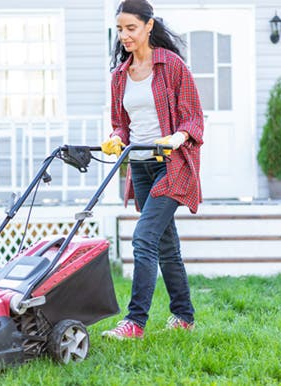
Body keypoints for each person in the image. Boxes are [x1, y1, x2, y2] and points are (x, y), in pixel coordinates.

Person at [100, 0, 204, 340]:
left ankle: (135, 323)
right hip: (141, 166)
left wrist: (178, 135)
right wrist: (116, 138)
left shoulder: (171, 66)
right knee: (165, 244)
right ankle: (184, 316)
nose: (125, 35)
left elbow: (193, 117)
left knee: (144, 238)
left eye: (131, 28)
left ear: (148, 26)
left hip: (171, 165)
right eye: (120, 29)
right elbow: (121, 124)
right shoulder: (120, 76)